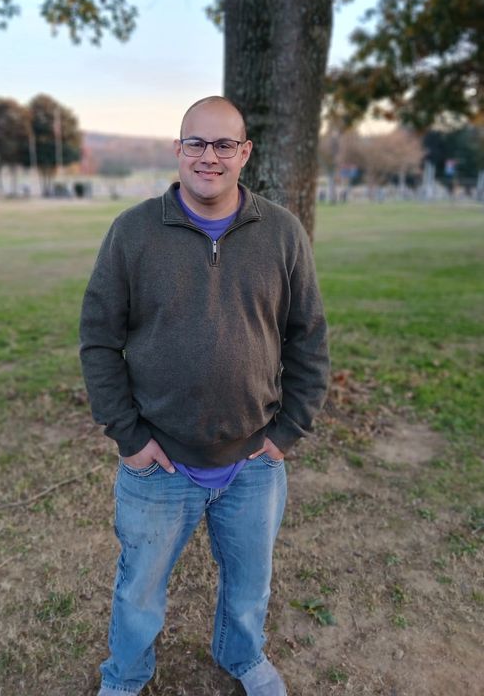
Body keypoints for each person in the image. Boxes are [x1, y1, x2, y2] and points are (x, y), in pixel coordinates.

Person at [79, 96, 330, 696]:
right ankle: (127, 674)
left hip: (252, 462)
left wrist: (286, 432)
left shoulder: (283, 233)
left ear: (245, 153)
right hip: (158, 463)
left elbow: (308, 338)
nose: (209, 156)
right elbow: (97, 341)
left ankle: (241, 656)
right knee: (139, 587)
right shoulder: (134, 232)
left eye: (224, 145)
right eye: (196, 142)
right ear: (178, 149)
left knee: (250, 585)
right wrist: (130, 438)